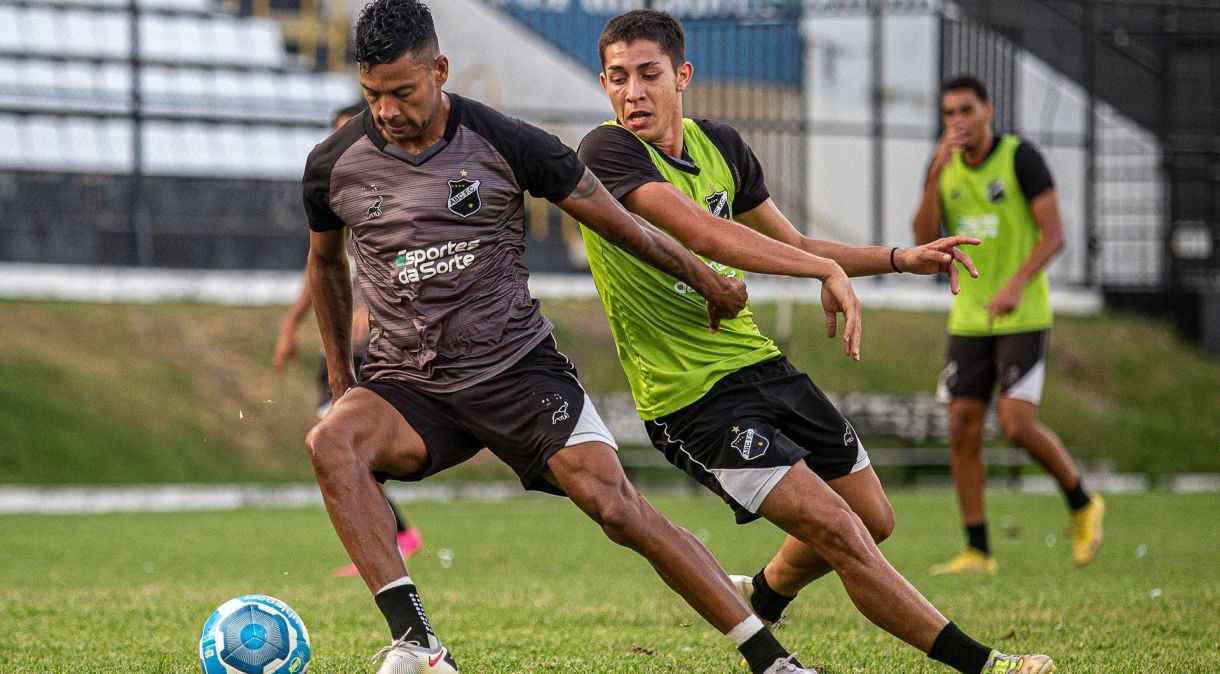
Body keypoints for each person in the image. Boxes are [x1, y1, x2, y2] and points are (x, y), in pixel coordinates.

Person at [301, 2, 821, 672]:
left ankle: (772, 661)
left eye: (402, 92)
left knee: (620, 511)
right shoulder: (334, 164)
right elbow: (323, 263)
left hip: (518, 373)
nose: (387, 111)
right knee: (330, 442)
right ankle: (420, 647)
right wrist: (345, 387)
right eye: (373, 95)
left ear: (439, 70)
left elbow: (624, 227)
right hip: (413, 385)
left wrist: (709, 280)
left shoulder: (507, 141)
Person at [576, 10, 1054, 674]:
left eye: (649, 75)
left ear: (682, 76)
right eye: (619, 78)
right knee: (837, 530)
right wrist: (822, 272)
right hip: (690, 398)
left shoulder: (720, 145)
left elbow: (794, 244)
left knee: (873, 517)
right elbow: (705, 235)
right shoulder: (607, 153)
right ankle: (986, 664)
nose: (633, 93)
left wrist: (897, 257)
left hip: (757, 363)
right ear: (604, 84)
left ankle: (764, 593)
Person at [911, 75, 1104, 575]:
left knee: (1016, 425)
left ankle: (1082, 502)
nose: (957, 122)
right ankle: (978, 550)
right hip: (969, 318)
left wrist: (1017, 283)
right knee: (961, 426)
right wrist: (934, 172)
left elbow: (1054, 235)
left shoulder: (1021, 158)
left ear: (987, 111)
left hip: (1022, 315)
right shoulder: (945, 166)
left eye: (966, 111)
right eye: (949, 113)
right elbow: (920, 236)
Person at [276, 102, 424, 576]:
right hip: (334, 344)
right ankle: (389, 537)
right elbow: (320, 265)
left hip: (374, 343)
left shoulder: (396, 194)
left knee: (342, 441)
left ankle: (393, 537)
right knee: (336, 441)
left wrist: (372, 310)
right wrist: (290, 324)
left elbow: (415, 262)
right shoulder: (337, 192)